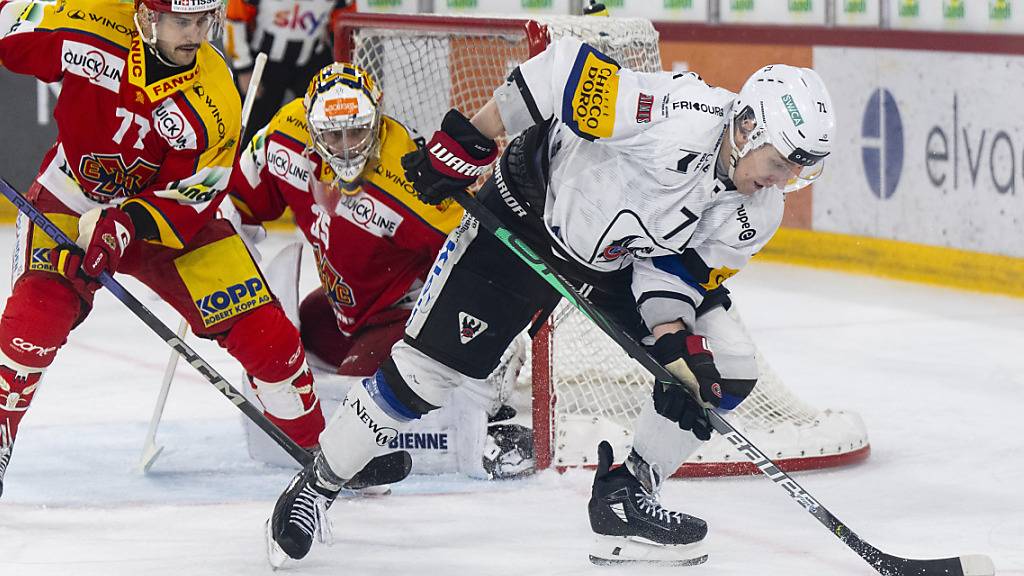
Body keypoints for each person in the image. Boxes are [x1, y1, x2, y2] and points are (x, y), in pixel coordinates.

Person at [264, 36, 835, 567]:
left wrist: (672, 341)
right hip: (524, 217)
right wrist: (473, 136)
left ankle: (625, 497)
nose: (782, 181)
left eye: (796, 171)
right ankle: (318, 483)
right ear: (747, 127)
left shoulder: (759, 210)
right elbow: (563, 71)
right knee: (422, 377)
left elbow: (674, 271)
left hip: (618, 261)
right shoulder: (674, 114)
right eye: (780, 163)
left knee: (725, 369)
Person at [0, 0, 326, 497]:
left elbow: (201, 192)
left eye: (203, 20)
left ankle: (323, 457)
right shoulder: (86, 19)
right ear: (148, 18)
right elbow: (9, 25)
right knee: (34, 317)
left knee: (269, 339)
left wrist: (127, 224)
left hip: (163, 222)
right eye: (182, 21)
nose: (195, 34)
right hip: (73, 195)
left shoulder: (214, 92)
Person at [229, 61, 533, 480]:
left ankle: (493, 359)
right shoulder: (285, 135)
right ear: (311, 129)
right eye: (333, 135)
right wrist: (214, 237)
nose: (347, 146)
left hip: (403, 315)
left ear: (377, 118)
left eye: (357, 131)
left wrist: (495, 328)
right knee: (276, 347)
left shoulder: (406, 180)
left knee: (355, 402)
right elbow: (239, 204)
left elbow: (478, 254)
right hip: (348, 310)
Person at [223, 0, 354, 145]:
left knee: (322, 122)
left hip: (311, 59)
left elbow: (345, 26)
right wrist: (244, 68)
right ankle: (244, 161)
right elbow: (234, 21)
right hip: (265, 62)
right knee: (252, 126)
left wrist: (345, 67)